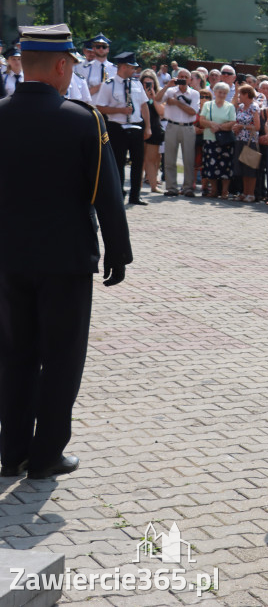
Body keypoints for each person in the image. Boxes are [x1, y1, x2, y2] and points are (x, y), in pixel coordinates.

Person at [0, 24, 132, 480]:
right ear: (60, 66)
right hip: (65, 260)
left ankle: (11, 451)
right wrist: (118, 250)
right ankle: (46, 454)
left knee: (13, 354)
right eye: (71, 64)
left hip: (8, 259)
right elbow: (106, 193)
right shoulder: (83, 119)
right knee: (61, 356)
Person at [94, 52, 151, 206]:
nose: (134, 70)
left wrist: (148, 127)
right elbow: (100, 107)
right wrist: (119, 111)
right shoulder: (109, 84)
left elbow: (144, 105)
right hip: (117, 127)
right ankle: (119, 193)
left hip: (136, 126)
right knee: (118, 163)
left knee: (138, 162)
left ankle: (135, 195)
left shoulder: (137, 84)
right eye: (132, 67)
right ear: (123, 67)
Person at [160, 68, 201, 197]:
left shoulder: (194, 94)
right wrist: (167, 86)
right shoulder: (170, 91)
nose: (183, 79)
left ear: (190, 80)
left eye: (185, 77)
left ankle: (188, 187)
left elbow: (192, 111)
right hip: (172, 125)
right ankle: (171, 187)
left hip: (188, 127)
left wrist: (176, 103)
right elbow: (157, 98)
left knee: (188, 159)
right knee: (169, 158)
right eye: (180, 76)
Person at [230, 84, 262, 203]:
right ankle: (244, 192)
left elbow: (257, 126)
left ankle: (251, 193)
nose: (239, 96)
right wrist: (236, 128)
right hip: (240, 139)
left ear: (246, 94)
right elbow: (238, 121)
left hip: (250, 141)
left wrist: (243, 126)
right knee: (242, 167)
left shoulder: (254, 107)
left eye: (240, 94)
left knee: (250, 167)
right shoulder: (241, 107)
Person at [139, 70, 165, 193]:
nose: (148, 86)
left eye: (150, 83)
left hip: (154, 128)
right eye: (145, 83)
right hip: (139, 127)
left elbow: (162, 112)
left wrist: (153, 98)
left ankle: (153, 186)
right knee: (139, 158)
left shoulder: (159, 95)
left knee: (152, 159)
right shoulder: (136, 93)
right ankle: (137, 185)